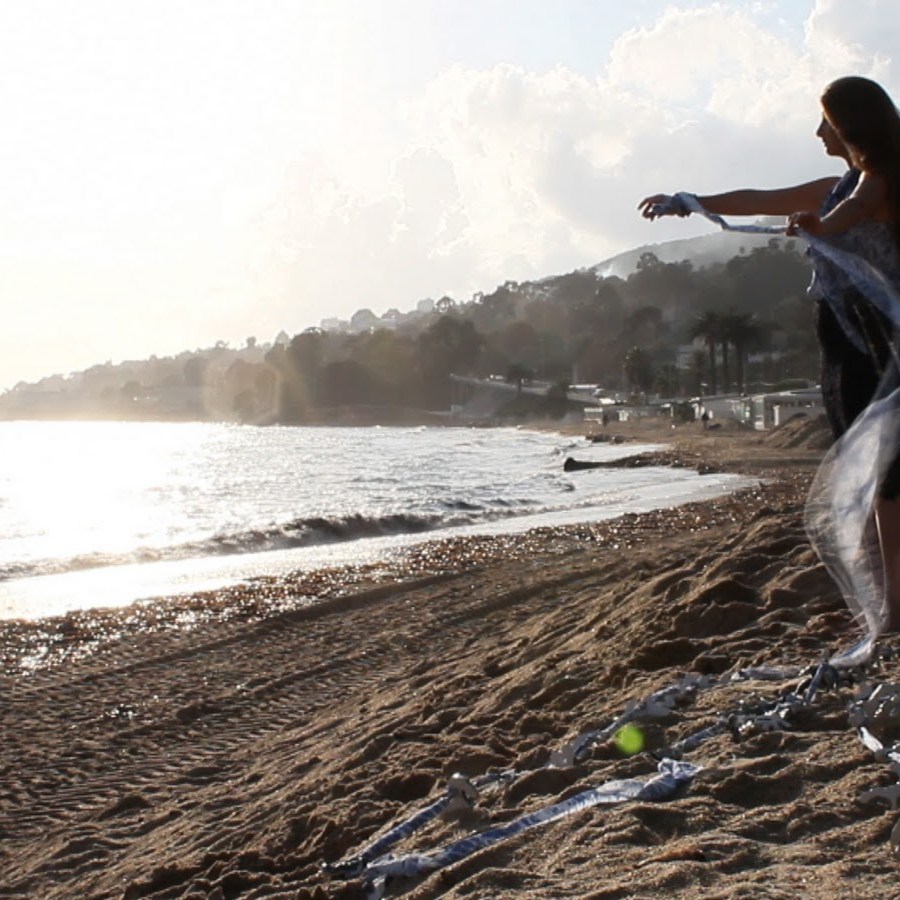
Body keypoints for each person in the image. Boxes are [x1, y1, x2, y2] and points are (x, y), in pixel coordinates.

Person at [638, 76, 900, 634]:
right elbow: (760, 199)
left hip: (876, 341)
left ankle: (892, 604)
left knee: (884, 473)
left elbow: (852, 211)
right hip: (842, 340)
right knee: (867, 467)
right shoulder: (834, 184)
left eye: (827, 121)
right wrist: (690, 202)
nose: (818, 131)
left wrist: (821, 225)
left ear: (851, 125)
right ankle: (882, 597)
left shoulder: (878, 183)